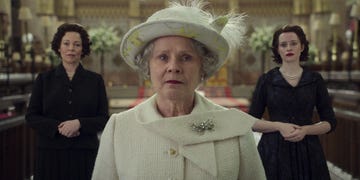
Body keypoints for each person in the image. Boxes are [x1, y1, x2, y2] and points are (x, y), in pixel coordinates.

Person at [92, 0, 266, 179]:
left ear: (203, 67)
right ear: (147, 66)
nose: (173, 67)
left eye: (186, 57)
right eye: (162, 57)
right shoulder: (119, 128)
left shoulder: (236, 127)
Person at [249, 25, 337, 180]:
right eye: (283, 45)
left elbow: (330, 122)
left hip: (308, 150)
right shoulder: (267, 80)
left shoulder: (315, 79)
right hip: (273, 151)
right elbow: (251, 121)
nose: (288, 48)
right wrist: (278, 126)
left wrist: (305, 130)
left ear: (302, 47)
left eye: (293, 43)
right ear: (277, 49)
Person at [26, 23, 109, 180]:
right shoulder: (44, 80)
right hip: (50, 154)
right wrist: (58, 127)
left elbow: (104, 118)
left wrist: (79, 124)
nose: (71, 48)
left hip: (84, 153)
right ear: (58, 47)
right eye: (66, 43)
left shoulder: (95, 81)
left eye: (77, 44)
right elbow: (31, 117)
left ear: (83, 49)